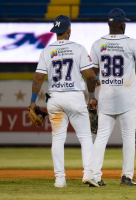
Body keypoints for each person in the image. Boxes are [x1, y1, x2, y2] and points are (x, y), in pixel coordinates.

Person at [30, 15, 99, 188]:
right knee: (85, 137)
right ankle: (88, 174)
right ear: (69, 30)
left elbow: (38, 77)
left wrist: (32, 101)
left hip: (55, 98)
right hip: (74, 96)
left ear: (55, 32)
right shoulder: (78, 48)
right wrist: (95, 84)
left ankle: (60, 179)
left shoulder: (47, 51)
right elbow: (89, 75)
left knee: (58, 139)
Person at [89, 8, 136, 186]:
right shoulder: (131, 43)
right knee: (128, 138)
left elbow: (91, 74)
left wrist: (91, 96)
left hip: (106, 97)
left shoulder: (97, 44)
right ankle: (127, 176)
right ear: (123, 24)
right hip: (126, 98)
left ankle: (94, 175)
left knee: (101, 137)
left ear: (109, 24)